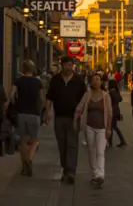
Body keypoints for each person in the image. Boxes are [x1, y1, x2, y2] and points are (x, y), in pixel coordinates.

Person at [46, 56, 86, 184]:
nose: (69, 67)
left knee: (72, 145)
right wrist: (47, 112)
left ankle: (71, 172)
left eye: (71, 65)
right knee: (62, 145)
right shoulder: (55, 80)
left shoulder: (79, 81)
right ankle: (65, 169)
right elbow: (49, 97)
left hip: (74, 118)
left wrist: (82, 114)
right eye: (67, 65)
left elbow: (85, 98)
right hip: (59, 117)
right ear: (62, 66)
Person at [74, 73, 112, 187]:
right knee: (91, 150)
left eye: (98, 79)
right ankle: (95, 172)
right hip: (89, 126)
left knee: (100, 152)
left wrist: (108, 129)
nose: (96, 81)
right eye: (94, 80)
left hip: (102, 128)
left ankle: (100, 175)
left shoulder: (106, 96)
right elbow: (80, 107)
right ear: (91, 82)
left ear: (101, 82)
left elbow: (110, 113)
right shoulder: (87, 95)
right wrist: (75, 119)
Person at [10, 60, 44, 176]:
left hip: (21, 113)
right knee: (35, 140)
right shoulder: (38, 82)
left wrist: (16, 104)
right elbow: (41, 98)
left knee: (23, 141)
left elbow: (11, 95)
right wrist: (40, 109)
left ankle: (24, 167)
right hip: (34, 113)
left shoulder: (18, 81)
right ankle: (29, 158)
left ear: (23, 69)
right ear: (33, 69)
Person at [107, 79, 126, 147]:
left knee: (110, 127)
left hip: (111, 111)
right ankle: (122, 140)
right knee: (114, 127)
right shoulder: (116, 92)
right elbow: (120, 99)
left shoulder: (110, 93)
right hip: (117, 111)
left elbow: (109, 103)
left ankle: (110, 142)